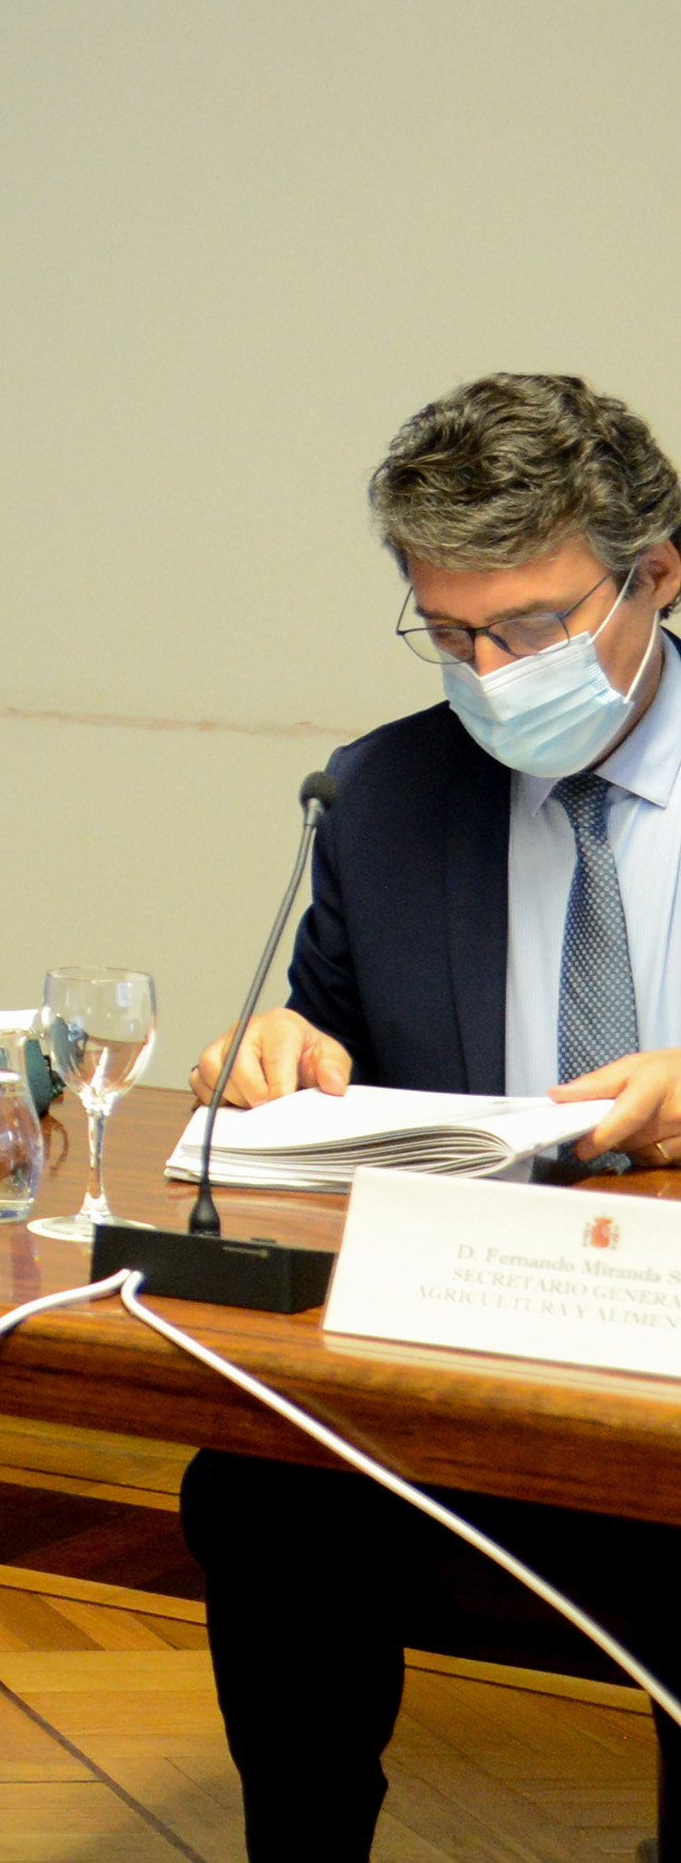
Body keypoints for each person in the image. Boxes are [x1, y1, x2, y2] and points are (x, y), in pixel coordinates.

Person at [183, 372, 681, 1862]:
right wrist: (278, 1059)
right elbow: (338, 1064)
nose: (490, 674)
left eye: (528, 628)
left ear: (655, 575)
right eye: (448, 633)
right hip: (471, 1349)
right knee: (260, 1486)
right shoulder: (386, 794)